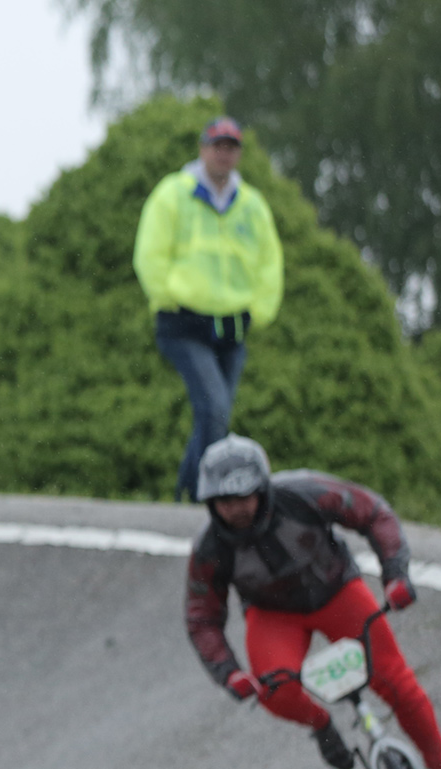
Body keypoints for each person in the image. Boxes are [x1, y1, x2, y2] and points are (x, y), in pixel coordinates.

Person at [185, 435, 441, 769]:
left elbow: (373, 513)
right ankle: (321, 725)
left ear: (261, 488)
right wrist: (230, 674)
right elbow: (202, 617)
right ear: (210, 503)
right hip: (274, 615)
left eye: (243, 497)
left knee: (396, 682)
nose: (235, 509)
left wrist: (395, 575)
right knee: (274, 690)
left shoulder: (304, 494)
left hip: (338, 592)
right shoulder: (210, 550)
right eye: (224, 501)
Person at [134, 116, 284, 502]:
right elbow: (150, 251)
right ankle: (204, 496)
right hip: (185, 323)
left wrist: (260, 309)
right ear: (203, 149)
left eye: (231, 147)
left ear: (239, 154)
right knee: (214, 409)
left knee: (215, 414)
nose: (223, 154)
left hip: (232, 326)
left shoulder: (251, 204)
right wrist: (167, 296)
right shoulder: (173, 193)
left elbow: (270, 260)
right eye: (217, 146)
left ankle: (188, 493)